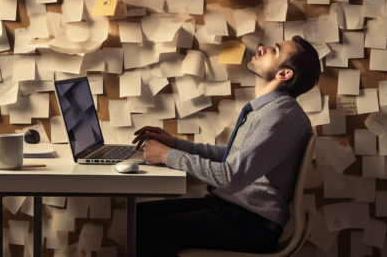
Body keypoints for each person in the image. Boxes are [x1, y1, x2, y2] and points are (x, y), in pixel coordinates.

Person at [132, 35, 320, 257]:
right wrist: (176, 144)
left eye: (275, 50)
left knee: (143, 234)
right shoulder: (271, 110)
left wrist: (168, 156)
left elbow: (230, 176)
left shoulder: (278, 117)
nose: (263, 48)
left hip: (249, 225)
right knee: (133, 217)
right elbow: (232, 159)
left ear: (284, 74)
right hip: (231, 210)